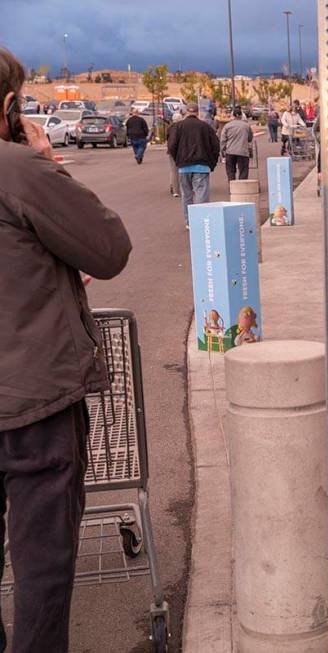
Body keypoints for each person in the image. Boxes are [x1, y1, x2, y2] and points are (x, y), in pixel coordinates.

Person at [0, 47, 132, 653]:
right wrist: (44, 155)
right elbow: (107, 248)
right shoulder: (19, 171)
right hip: (32, 406)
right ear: (9, 105)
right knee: (42, 574)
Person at [167, 102, 220, 227]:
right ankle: (202, 220)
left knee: (186, 195)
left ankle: (189, 221)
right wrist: (212, 163)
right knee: (202, 193)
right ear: (197, 112)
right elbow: (215, 146)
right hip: (202, 165)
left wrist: (178, 160)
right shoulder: (206, 127)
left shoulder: (178, 127)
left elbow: (172, 146)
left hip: (184, 166)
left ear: (186, 112)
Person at [220, 107, 253, 182]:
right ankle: (241, 188)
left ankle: (232, 186)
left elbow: (223, 140)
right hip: (243, 151)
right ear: (241, 115)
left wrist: (222, 150)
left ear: (233, 115)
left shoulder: (227, 126)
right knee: (243, 171)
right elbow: (250, 138)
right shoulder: (246, 126)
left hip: (230, 151)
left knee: (230, 170)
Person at [166, 109, 184, 197]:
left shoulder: (169, 128)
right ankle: (179, 188)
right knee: (181, 170)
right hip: (181, 151)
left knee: (173, 170)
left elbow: (168, 139)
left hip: (171, 151)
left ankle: (174, 188)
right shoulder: (183, 128)